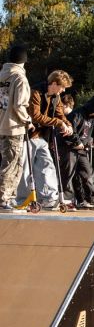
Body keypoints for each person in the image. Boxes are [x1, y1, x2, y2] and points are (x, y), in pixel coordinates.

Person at [16, 70, 74, 210]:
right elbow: (35, 116)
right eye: (62, 86)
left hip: (42, 137)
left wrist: (68, 125)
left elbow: (60, 114)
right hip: (28, 136)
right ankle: (22, 200)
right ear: (54, 84)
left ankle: (49, 198)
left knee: (47, 165)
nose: (64, 90)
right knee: (25, 169)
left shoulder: (56, 97)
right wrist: (59, 123)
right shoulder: (35, 92)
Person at [0, 44, 32, 211]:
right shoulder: (19, 78)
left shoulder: (2, 75)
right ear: (24, 61)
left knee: (5, 162)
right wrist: (27, 119)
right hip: (13, 127)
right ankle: (4, 198)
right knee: (13, 164)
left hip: (1, 125)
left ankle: (5, 197)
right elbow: (19, 104)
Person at [61, 93, 94, 208]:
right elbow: (71, 129)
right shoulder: (76, 114)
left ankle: (91, 199)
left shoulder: (93, 119)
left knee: (88, 173)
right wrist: (77, 142)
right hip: (69, 148)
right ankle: (66, 200)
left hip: (81, 150)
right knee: (68, 173)